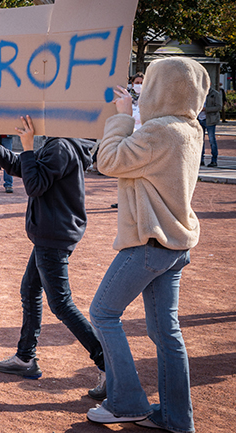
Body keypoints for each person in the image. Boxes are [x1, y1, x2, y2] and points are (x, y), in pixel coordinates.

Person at [86, 58, 205, 432]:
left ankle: (126, 402)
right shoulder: (190, 127)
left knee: (103, 313)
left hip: (149, 242)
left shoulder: (159, 131)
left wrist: (122, 116)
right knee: (166, 332)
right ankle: (175, 417)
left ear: (160, 87)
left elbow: (107, 160)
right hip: (175, 244)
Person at [0, 117, 105, 397]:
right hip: (52, 231)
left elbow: (34, 185)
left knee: (61, 304)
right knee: (30, 290)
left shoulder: (61, 147)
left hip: (53, 234)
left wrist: (28, 146)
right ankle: (25, 358)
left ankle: (110, 365)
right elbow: (24, 167)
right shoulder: (60, 143)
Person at [199, 84, 222, 167]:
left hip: (210, 120)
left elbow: (219, 107)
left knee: (212, 140)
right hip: (200, 119)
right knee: (200, 141)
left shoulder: (215, 94)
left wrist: (206, 109)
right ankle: (200, 160)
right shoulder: (200, 93)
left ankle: (214, 160)